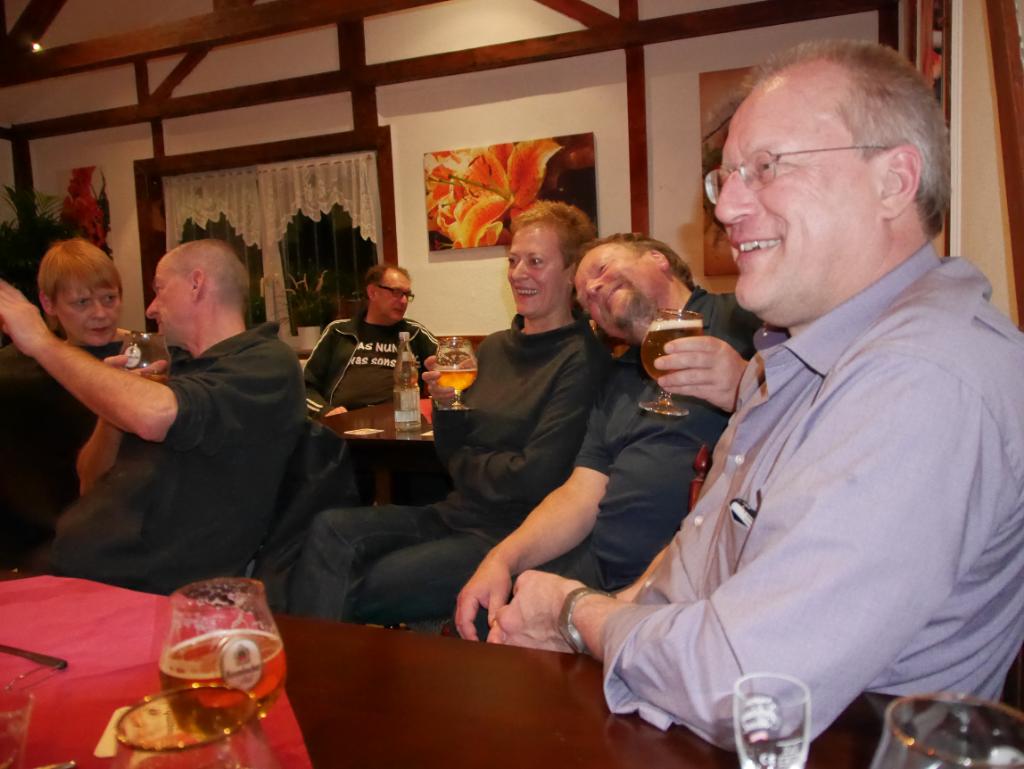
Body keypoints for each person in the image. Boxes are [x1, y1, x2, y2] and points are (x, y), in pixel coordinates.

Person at [487, 40, 1024, 744]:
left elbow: (741, 686)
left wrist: (573, 614)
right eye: (727, 177)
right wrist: (614, 611)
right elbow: (699, 556)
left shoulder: (921, 379)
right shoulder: (802, 353)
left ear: (894, 181)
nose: (728, 207)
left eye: (767, 167)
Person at [288, 201, 612, 624]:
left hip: (512, 534)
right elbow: (451, 451)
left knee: (360, 582)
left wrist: (469, 462)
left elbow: (536, 477)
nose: (518, 273)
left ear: (571, 272)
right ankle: (313, 657)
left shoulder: (582, 359)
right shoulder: (493, 348)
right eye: (513, 260)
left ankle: (311, 659)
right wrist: (445, 405)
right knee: (328, 528)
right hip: (455, 513)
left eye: (535, 261)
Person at [455, 233, 760, 640]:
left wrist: (746, 384)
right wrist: (502, 559)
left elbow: (815, 410)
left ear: (659, 258)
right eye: (587, 300)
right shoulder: (618, 377)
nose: (595, 289)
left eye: (602, 269)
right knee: (489, 619)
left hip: (691, 584)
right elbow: (581, 493)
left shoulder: (745, 319)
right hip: (603, 570)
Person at [0, 239, 306, 593]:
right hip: (73, 567)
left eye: (159, 289)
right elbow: (89, 481)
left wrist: (40, 342)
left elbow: (155, 416)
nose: (151, 308)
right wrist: (113, 408)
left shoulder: (263, 362)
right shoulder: (177, 367)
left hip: (146, 587)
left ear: (196, 284)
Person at [0, 239, 125, 567]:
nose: (100, 314)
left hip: (124, 536)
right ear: (48, 303)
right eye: (82, 302)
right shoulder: (14, 374)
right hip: (44, 545)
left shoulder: (142, 359)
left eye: (109, 298)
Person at [303, 264, 437, 417]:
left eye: (407, 295)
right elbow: (305, 387)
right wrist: (325, 412)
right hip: (344, 421)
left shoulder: (414, 333)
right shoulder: (339, 331)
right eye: (397, 293)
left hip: (400, 420)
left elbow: (448, 365)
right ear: (372, 292)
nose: (404, 301)